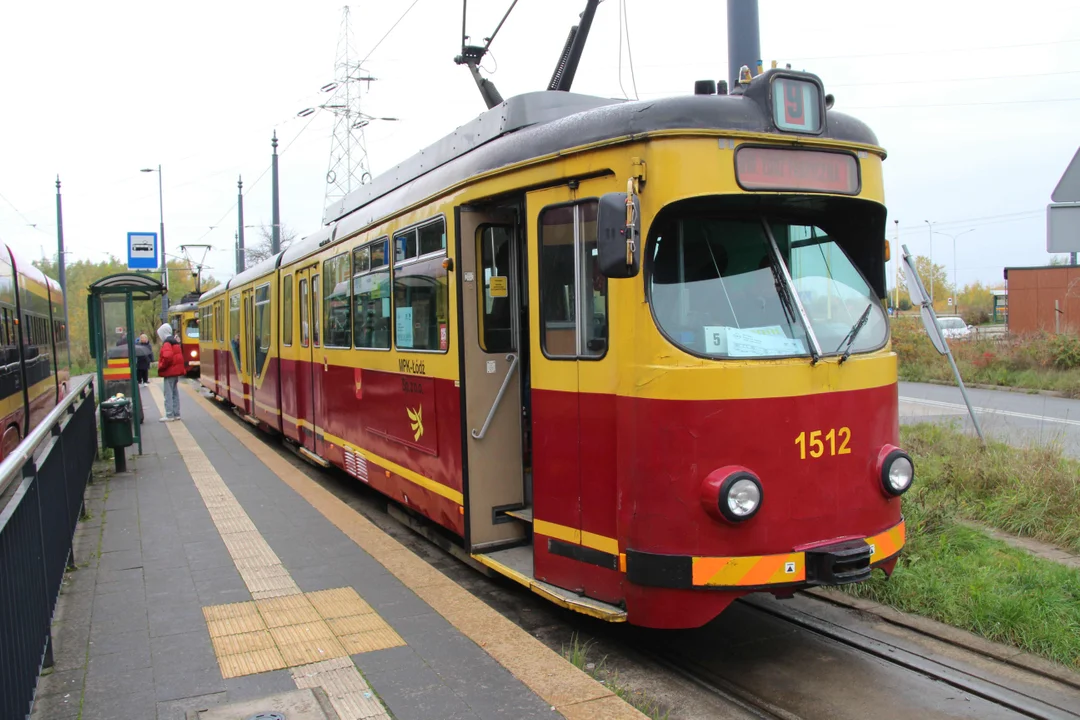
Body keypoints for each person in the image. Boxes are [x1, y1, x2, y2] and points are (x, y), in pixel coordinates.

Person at [157, 323, 185, 421]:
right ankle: (176, 413)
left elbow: (167, 357)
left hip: (169, 371)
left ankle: (169, 414)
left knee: (168, 393)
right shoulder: (175, 342)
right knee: (174, 392)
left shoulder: (167, 343)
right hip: (175, 371)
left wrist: (161, 366)